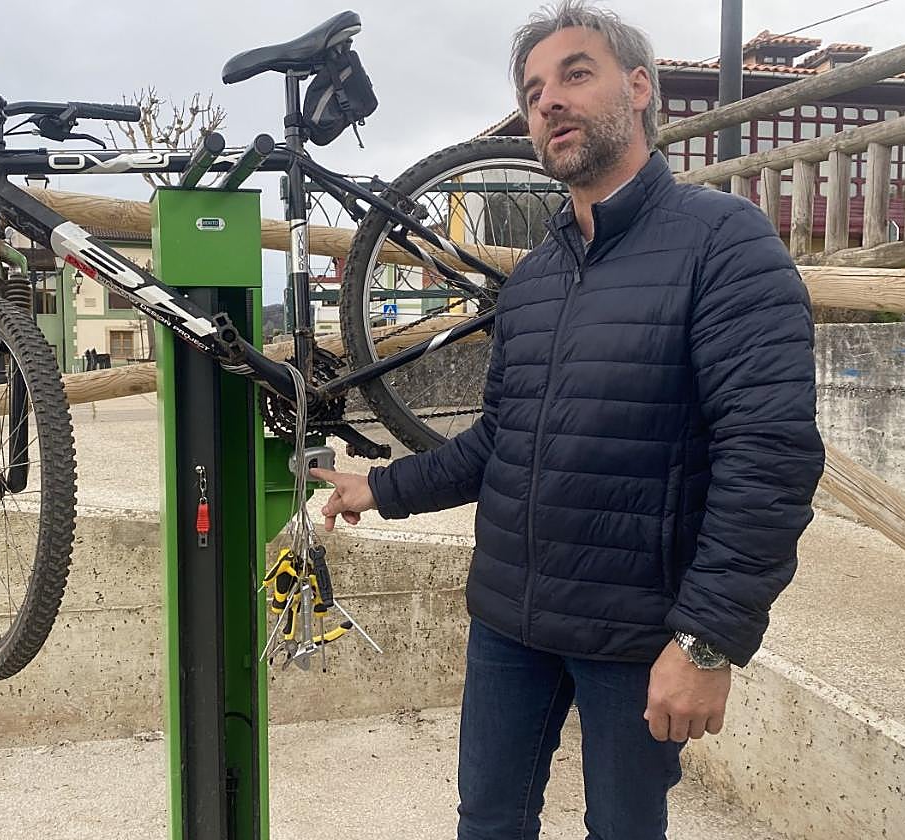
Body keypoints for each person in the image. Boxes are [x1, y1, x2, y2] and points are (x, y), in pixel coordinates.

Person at [310, 2, 826, 838]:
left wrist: (707, 643)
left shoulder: (724, 242)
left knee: (622, 830)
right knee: (486, 820)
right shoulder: (538, 277)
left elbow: (769, 458)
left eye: (574, 74)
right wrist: (383, 487)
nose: (547, 101)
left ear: (640, 86)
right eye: (532, 89)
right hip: (511, 618)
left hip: (638, 628)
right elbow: (499, 440)